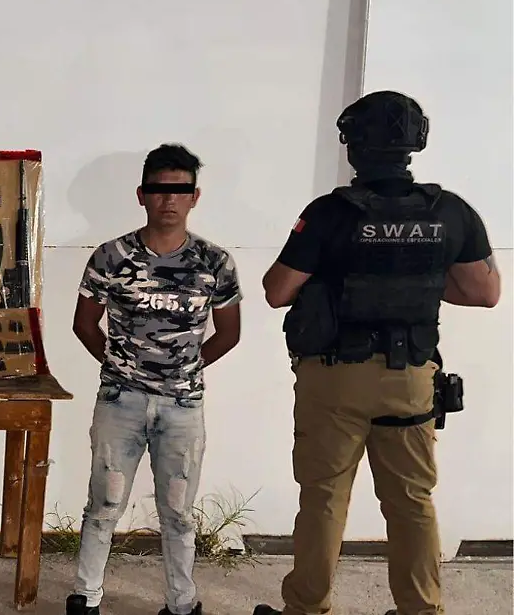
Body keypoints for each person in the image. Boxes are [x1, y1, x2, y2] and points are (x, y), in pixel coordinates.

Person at [252, 90, 501, 615]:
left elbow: (277, 291)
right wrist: (420, 278)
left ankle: (306, 608)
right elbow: (485, 292)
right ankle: (421, 609)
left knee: (324, 497)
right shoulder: (450, 212)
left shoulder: (329, 213)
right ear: (415, 143)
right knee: (412, 502)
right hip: (410, 377)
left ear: (353, 145)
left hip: (335, 378)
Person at [66, 144, 243, 615]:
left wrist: (185, 370)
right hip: (120, 401)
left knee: (178, 513)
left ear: (194, 197)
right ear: (142, 195)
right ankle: (86, 597)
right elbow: (84, 324)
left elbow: (229, 333)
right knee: (104, 505)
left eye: (180, 190)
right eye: (160, 190)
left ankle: (181, 604)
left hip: (182, 407)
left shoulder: (215, 262)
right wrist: (120, 366)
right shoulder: (110, 257)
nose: (169, 200)